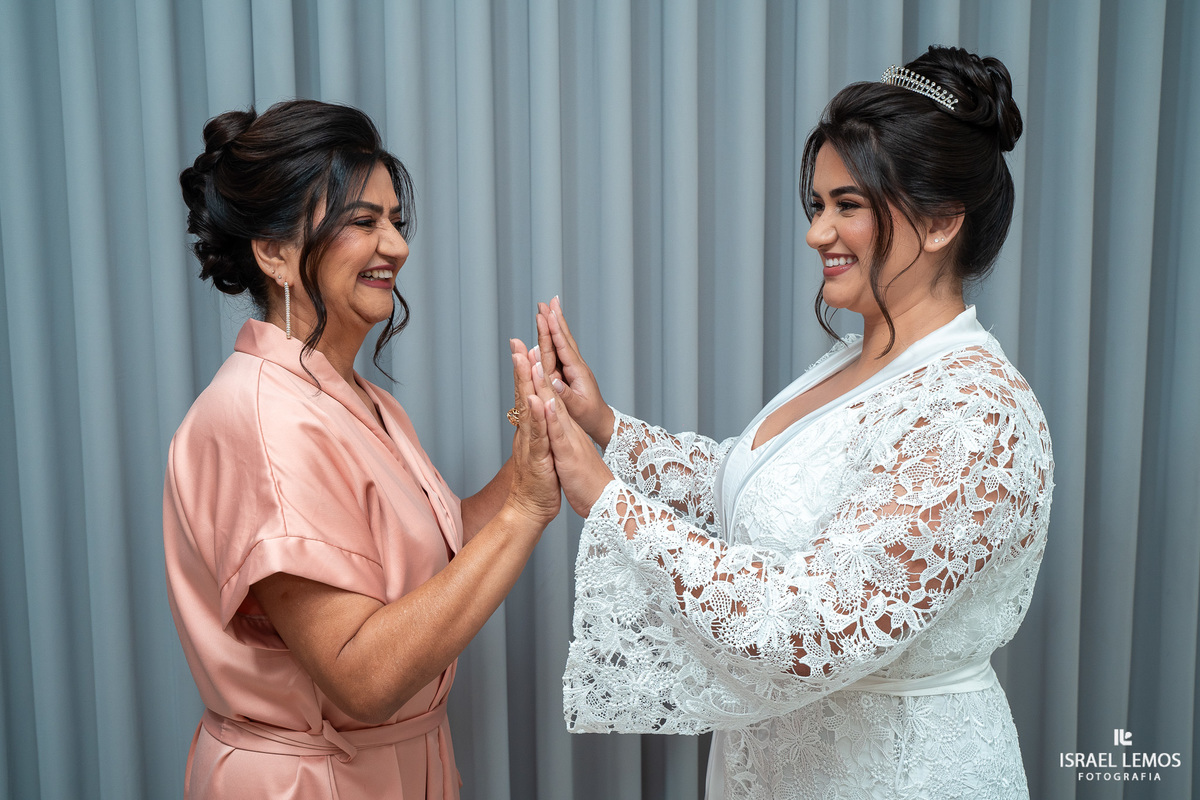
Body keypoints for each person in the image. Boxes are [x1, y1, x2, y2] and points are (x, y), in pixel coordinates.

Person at [524, 46, 1053, 798]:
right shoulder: (850, 360)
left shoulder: (973, 415)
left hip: (895, 774)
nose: (817, 234)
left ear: (939, 223)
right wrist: (607, 425)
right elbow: (764, 500)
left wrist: (606, 500)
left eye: (848, 206)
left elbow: (817, 620)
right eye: (818, 205)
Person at [165, 99, 559, 799]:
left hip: (398, 767)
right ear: (273, 251)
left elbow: (432, 558)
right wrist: (526, 510)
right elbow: (362, 675)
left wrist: (535, 451)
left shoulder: (361, 399)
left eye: (396, 223)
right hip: (310, 780)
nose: (397, 246)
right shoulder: (261, 420)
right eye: (363, 222)